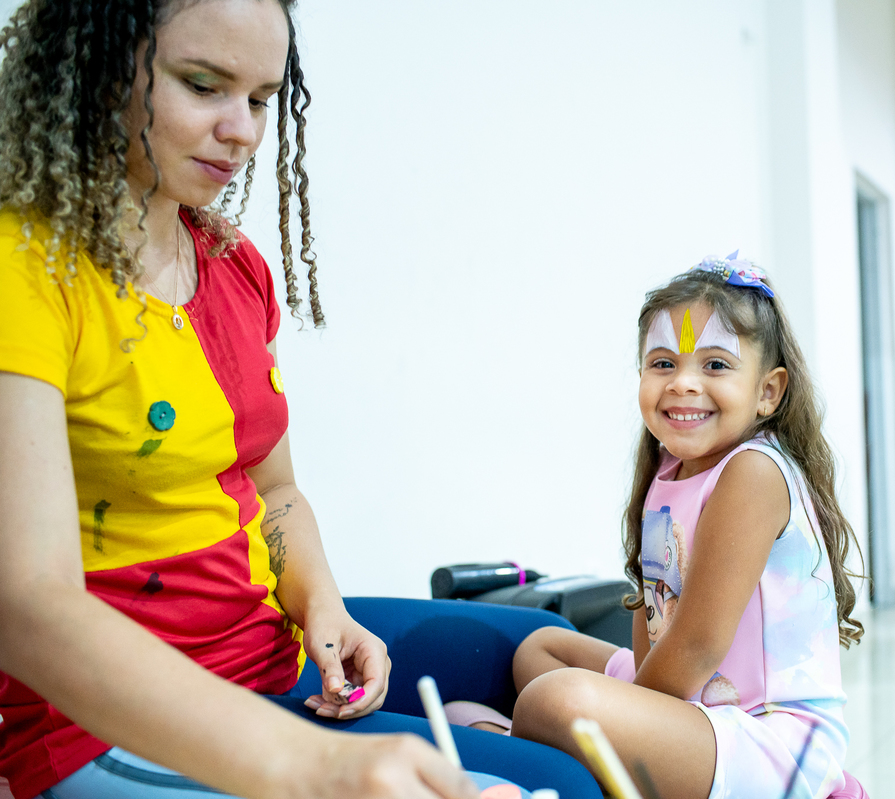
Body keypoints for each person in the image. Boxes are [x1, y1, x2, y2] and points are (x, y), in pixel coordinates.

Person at [0, 2, 599, 798]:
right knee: (569, 783)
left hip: (265, 650)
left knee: (552, 651)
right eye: (204, 85)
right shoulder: (25, 270)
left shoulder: (233, 264)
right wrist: (321, 766)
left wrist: (324, 604)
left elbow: (274, 490)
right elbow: (30, 608)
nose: (243, 130)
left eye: (259, 99)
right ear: (94, 68)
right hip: (105, 722)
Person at [444, 257, 864, 799]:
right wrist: (627, 711)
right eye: (663, 363)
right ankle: (546, 742)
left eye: (715, 365)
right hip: (691, 702)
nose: (683, 383)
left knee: (555, 699)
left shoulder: (753, 473)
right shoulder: (667, 468)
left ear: (769, 391)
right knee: (541, 650)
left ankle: (515, 751)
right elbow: (655, 614)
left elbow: (696, 645)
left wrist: (622, 711)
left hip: (770, 740)